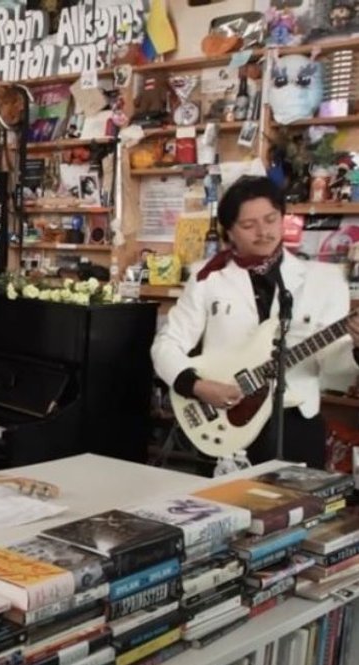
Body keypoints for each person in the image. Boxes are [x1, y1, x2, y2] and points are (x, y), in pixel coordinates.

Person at [152, 175, 359, 468]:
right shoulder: (208, 277)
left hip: (295, 423)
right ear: (229, 231)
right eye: (249, 225)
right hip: (226, 421)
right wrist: (196, 386)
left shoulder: (324, 281)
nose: (263, 232)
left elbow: (335, 372)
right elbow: (167, 344)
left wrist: (356, 347)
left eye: (271, 219)